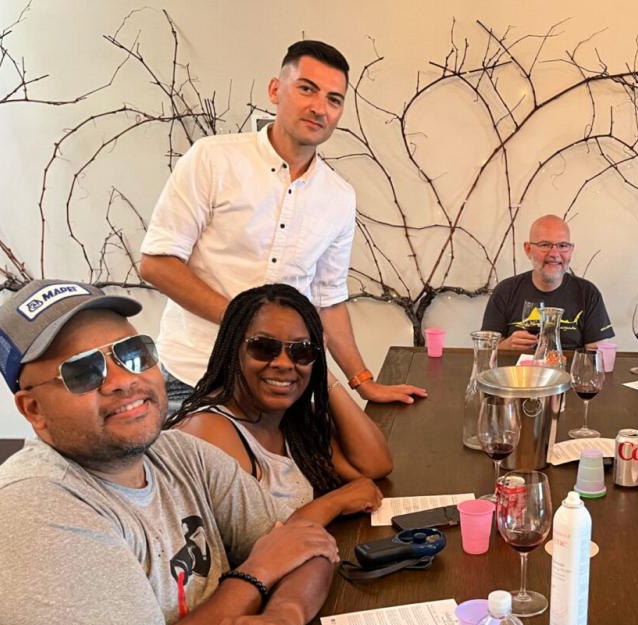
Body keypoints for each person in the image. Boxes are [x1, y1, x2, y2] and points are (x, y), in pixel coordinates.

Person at [0, 280, 339, 625]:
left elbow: (307, 549)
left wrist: (280, 617)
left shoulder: (181, 454)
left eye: (133, 353)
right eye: (83, 371)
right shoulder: (28, 505)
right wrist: (256, 576)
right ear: (33, 409)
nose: (122, 379)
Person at [139, 40, 426, 411]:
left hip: (283, 386)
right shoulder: (213, 159)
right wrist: (246, 323)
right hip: (194, 376)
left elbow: (328, 302)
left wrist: (364, 382)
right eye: (307, 89)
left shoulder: (339, 196)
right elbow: (157, 263)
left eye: (334, 99)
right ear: (275, 90)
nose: (319, 107)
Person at [168, 283, 392, 523]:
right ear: (233, 349)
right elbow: (260, 536)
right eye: (264, 347)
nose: (284, 363)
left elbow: (374, 465)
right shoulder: (210, 430)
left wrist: (320, 370)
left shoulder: (291, 418)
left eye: (301, 350)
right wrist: (335, 503)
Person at [480, 214, 614, 351]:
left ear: (571, 250)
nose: (554, 254)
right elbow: (485, 349)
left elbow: (598, 354)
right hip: (517, 366)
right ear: (528, 249)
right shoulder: (505, 290)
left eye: (562, 245)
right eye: (545, 245)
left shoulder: (588, 293)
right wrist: (506, 346)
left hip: (568, 365)